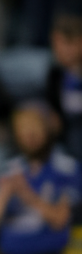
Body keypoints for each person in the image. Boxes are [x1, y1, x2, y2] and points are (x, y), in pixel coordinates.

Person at [0, 102, 80, 254]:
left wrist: (27, 195)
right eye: (22, 126)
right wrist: (4, 193)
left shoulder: (65, 168)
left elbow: (60, 219)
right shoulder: (10, 168)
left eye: (33, 124)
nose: (28, 132)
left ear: (48, 126)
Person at [45, 15, 82, 161]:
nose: (58, 50)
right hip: (67, 139)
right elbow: (54, 109)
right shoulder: (55, 74)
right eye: (55, 44)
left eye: (65, 43)